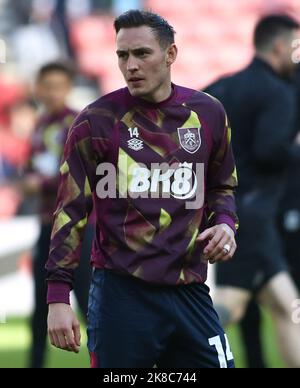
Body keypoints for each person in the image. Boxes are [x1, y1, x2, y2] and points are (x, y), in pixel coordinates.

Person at [46, 10, 238, 368]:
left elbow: (222, 185)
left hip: (189, 291)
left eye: (142, 54)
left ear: (170, 55)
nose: (130, 65)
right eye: (122, 55)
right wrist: (58, 296)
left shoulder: (209, 114)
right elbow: (70, 211)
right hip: (121, 295)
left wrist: (225, 222)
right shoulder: (95, 122)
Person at [205, 15, 300, 368]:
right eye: (294, 48)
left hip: (227, 207)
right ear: (278, 47)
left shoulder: (223, 87)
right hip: (253, 213)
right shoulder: (278, 93)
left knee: (287, 306)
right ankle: (171, 341)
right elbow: (270, 150)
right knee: (230, 305)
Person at [22, 62, 93, 368]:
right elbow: (31, 168)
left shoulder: (79, 123)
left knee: (92, 307)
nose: (51, 92)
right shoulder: (40, 125)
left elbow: (85, 176)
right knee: (42, 307)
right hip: (47, 226)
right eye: (46, 85)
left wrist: (43, 184)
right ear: (38, 87)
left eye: (57, 85)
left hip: (78, 228)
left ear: (68, 88)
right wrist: (28, 180)